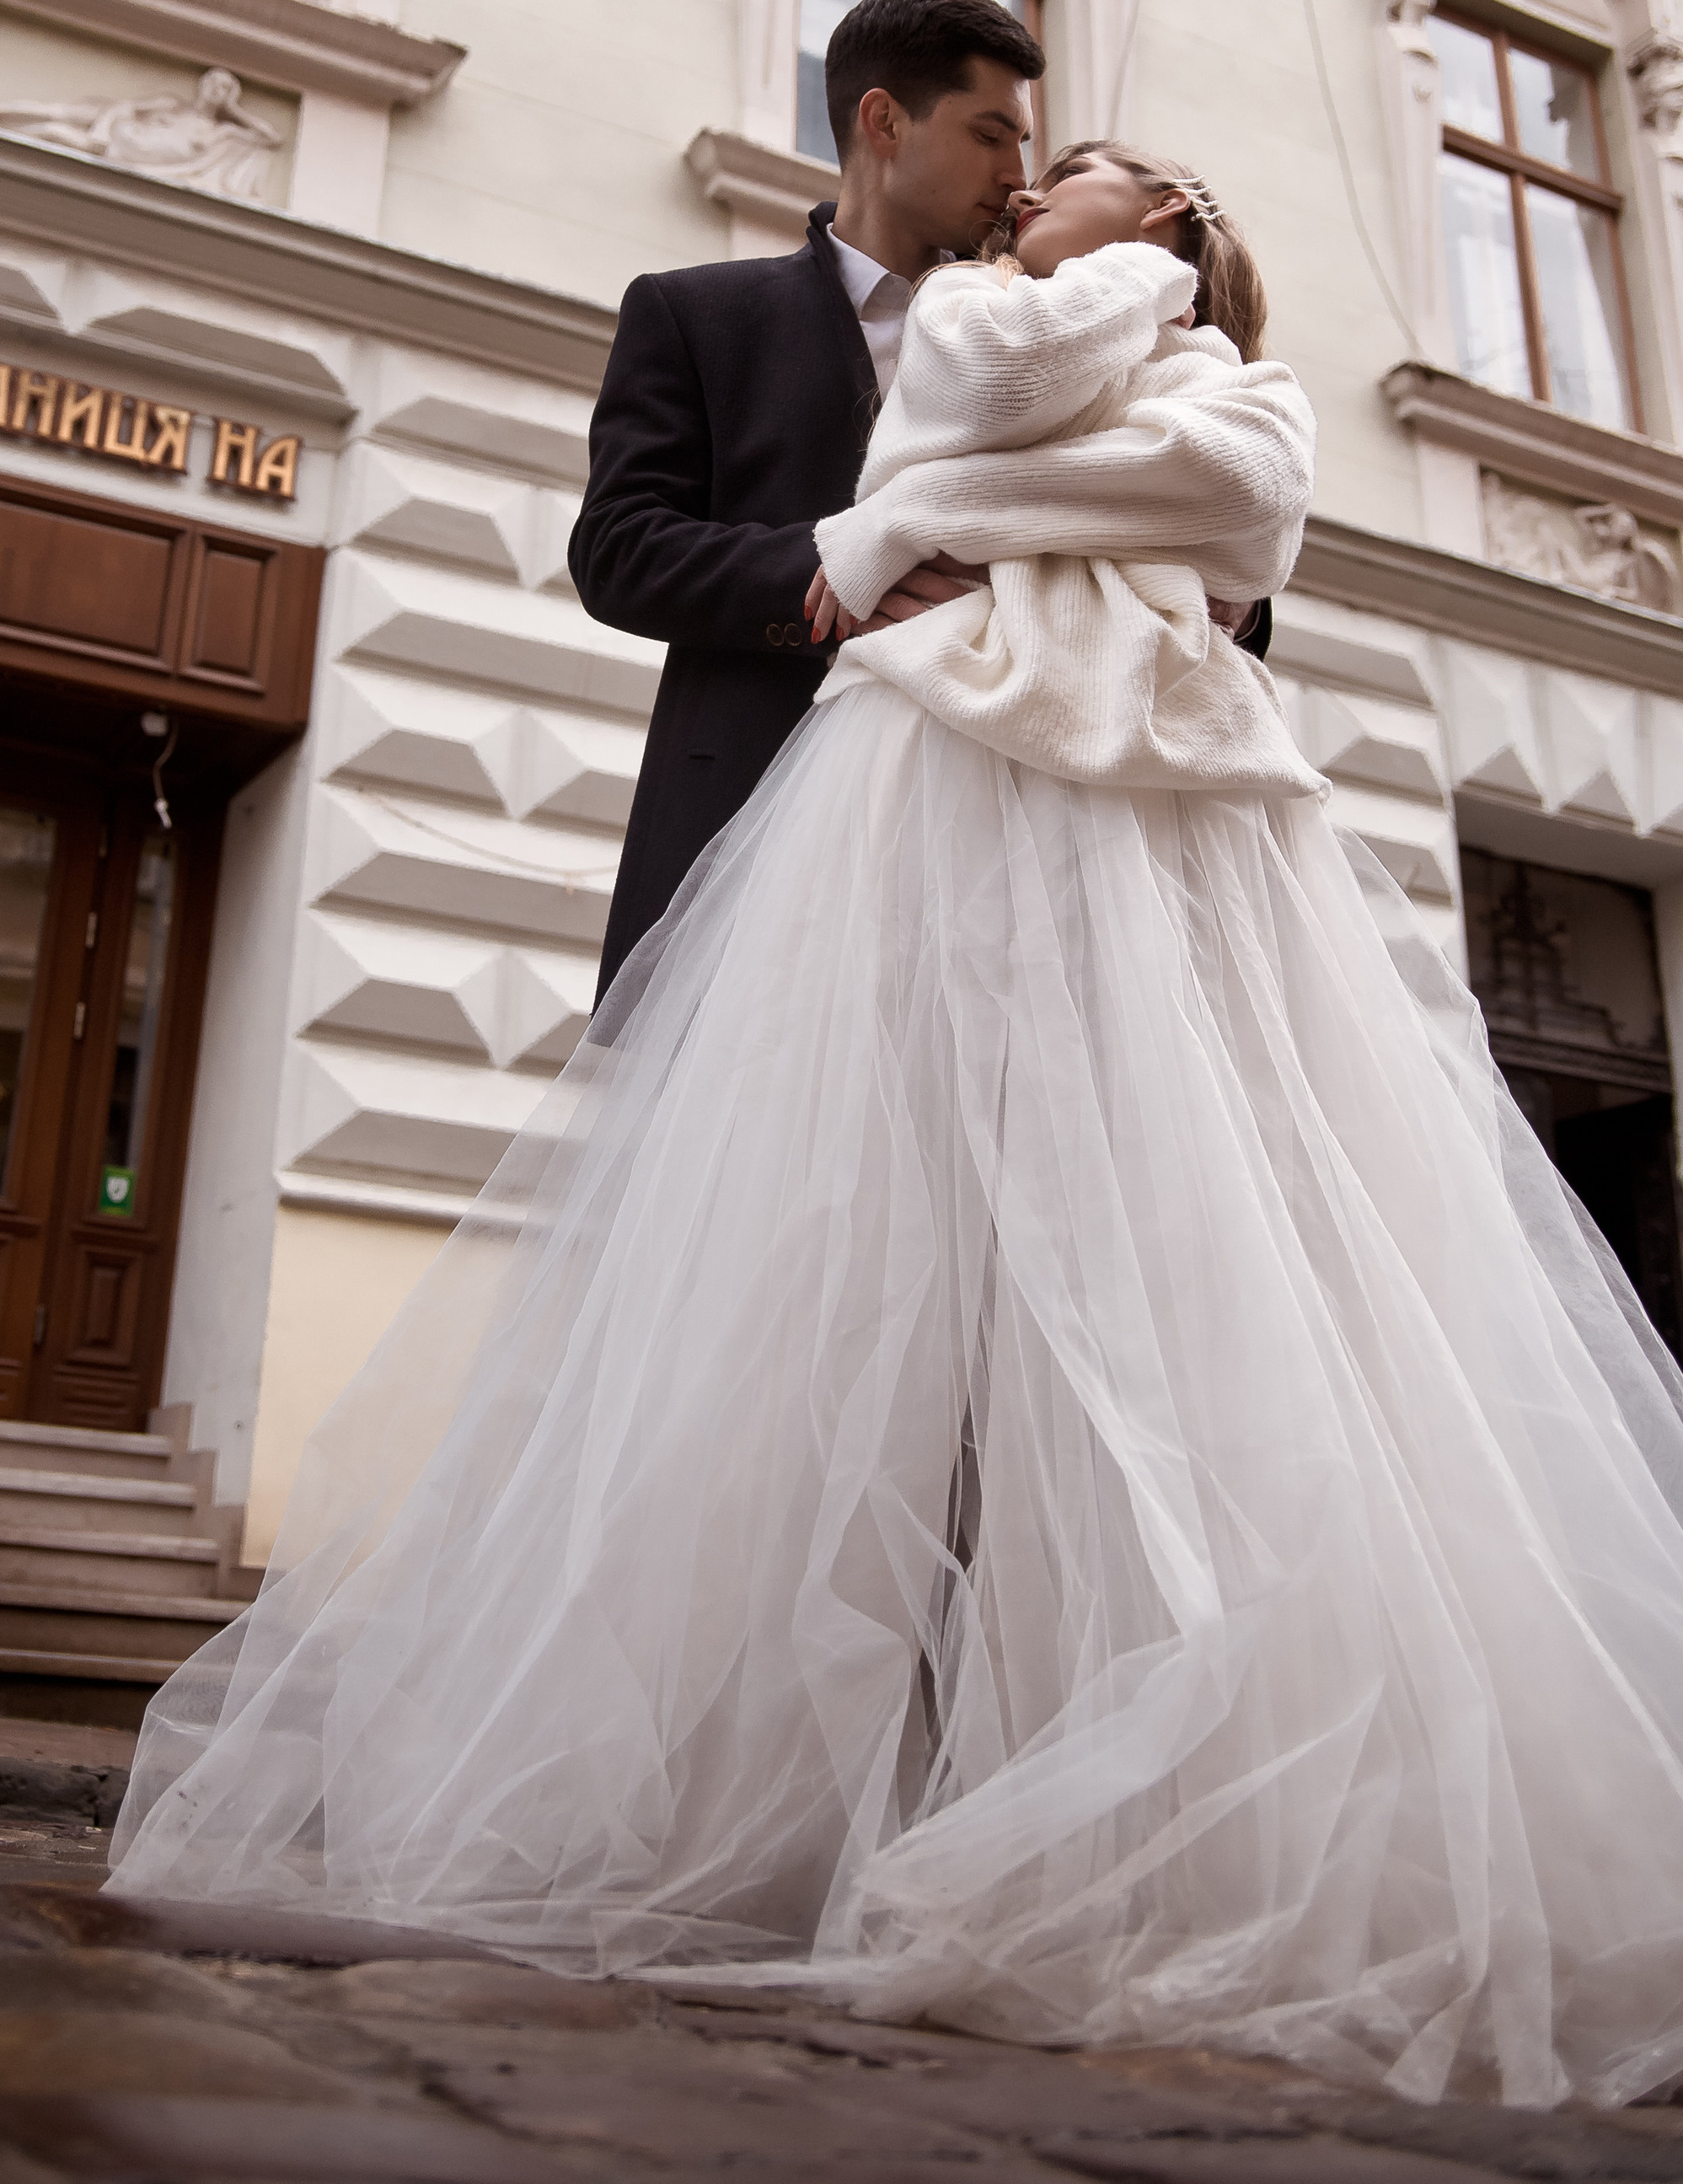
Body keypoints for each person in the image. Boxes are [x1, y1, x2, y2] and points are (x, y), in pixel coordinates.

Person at [110, 143, 1683, 2112]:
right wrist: (960, 500)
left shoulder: (1226, 377)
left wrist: (960, 507)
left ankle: (1090, 1789)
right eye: (1015, 166)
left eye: (1078, 175)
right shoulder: (949, 317)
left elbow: (1227, 509)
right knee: (830, 1319)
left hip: (1148, 858)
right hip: (900, 835)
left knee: (1137, 1321)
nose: (1026, 189)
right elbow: (946, 433)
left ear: (1174, 222)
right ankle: (806, 1801)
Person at [569, 0, 1041, 992]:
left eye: (1025, 146)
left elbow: (1162, 485)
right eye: (991, 134)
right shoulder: (696, 316)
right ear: (883, 120)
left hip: (1017, 854)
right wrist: (840, 575)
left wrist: (1239, 610)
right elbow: (618, 551)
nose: (1017, 176)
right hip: (755, 832)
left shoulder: (1048, 327)